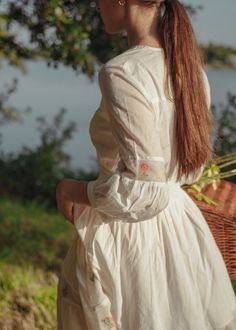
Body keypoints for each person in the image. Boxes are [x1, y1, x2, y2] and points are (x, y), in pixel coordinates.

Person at [56, 0, 236, 329]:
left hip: (132, 240)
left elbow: (144, 191)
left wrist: (71, 189)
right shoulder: (190, 69)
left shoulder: (123, 72)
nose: (96, 5)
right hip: (178, 229)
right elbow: (186, 170)